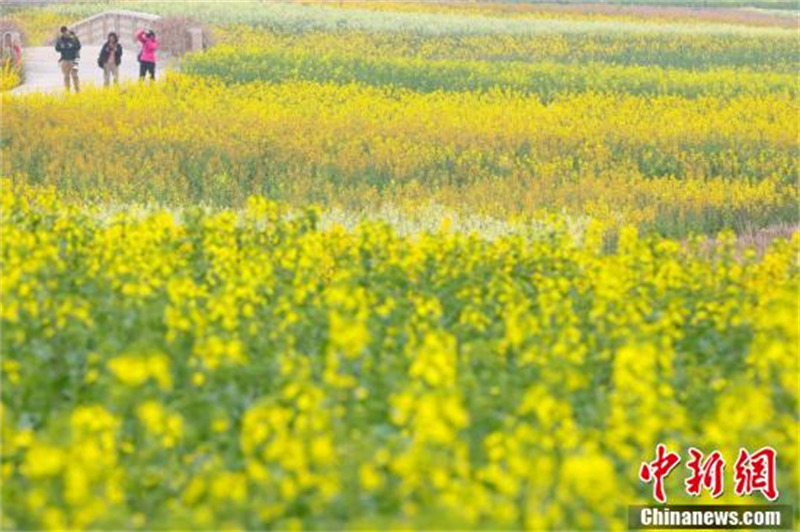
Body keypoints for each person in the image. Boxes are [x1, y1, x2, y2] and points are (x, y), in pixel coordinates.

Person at [55, 26, 80, 92]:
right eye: (63, 32)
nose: (65, 33)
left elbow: (78, 47)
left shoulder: (73, 38)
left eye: (65, 31)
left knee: (75, 75)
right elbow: (57, 49)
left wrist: (74, 39)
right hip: (64, 59)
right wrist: (62, 46)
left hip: (74, 60)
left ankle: (77, 90)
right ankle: (67, 90)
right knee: (66, 76)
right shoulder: (61, 40)